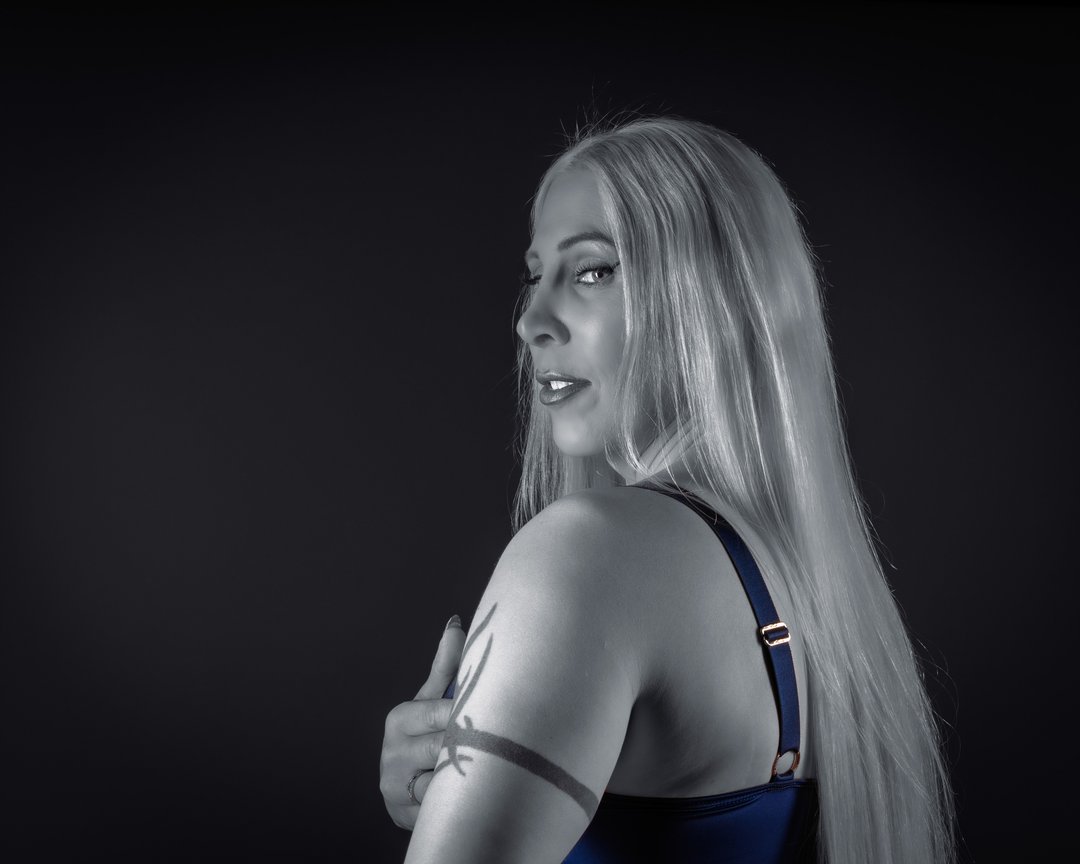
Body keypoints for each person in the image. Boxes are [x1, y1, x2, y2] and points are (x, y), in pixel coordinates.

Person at [379, 114, 957, 863]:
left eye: (593, 271)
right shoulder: (823, 597)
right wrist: (457, 800)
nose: (531, 321)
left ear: (708, 300)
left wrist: (455, 814)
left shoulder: (589, 552)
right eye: (535, 275)